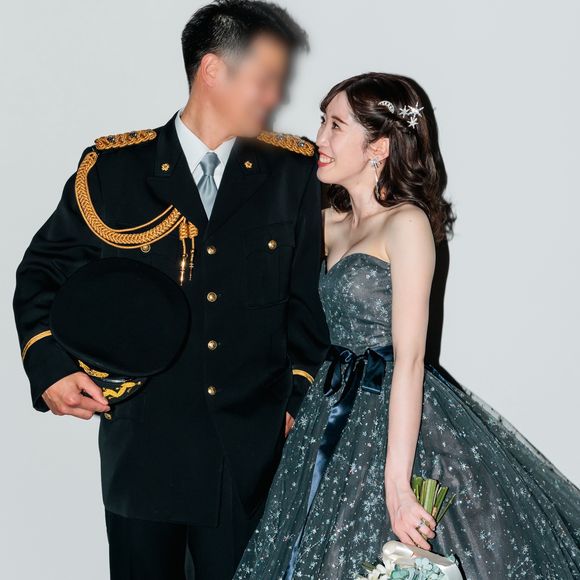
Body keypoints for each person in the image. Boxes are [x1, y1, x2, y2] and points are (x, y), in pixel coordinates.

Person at [12, 2, 329, 579]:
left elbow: (308, 307)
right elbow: (42, 272)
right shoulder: (113, 168)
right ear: (213, 70)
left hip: (247, 460)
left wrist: (293, 406)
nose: (275, 96)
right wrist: (50, 367)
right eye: (264, 79)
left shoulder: (293, 173)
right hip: (143, 449)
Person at [235, 73, 580, 579]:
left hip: (393, 404)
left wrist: (396, 486)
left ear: (379, 146)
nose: (320, 138)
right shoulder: (328, 222)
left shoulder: (407, 224)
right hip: (329, 405)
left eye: (336, 126)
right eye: (322, 122)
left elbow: (410, 359)